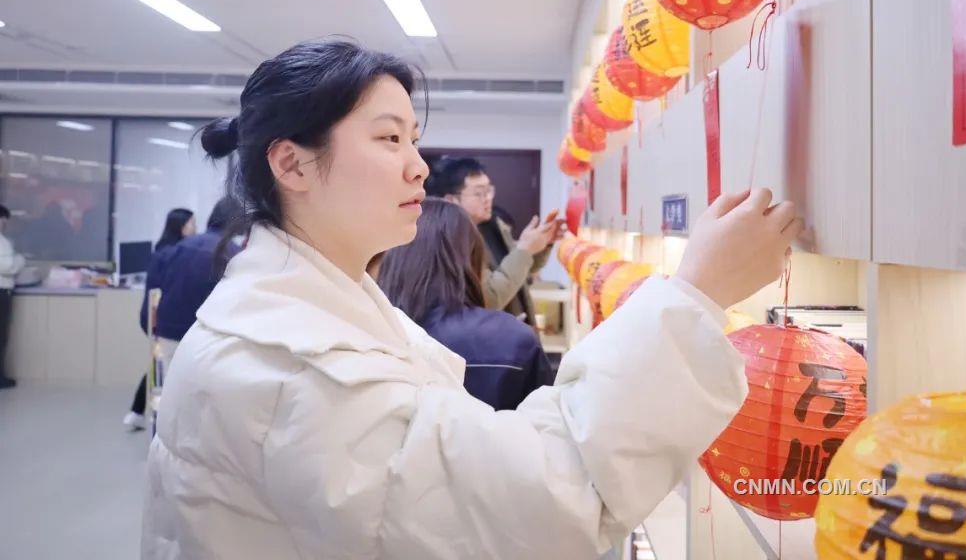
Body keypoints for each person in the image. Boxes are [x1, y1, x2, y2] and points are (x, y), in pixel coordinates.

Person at [141, 38, 802, 559]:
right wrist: (696, 295)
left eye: (413, 139)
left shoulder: (317, 313)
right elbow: (545, 499)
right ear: (292, 164)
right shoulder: (286, 369)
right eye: (389, 138)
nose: (419, 166)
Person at [378, 198, 554, 410]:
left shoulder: (368, 334)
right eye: (479, 191)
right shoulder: (514, 339)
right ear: (473, 258)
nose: (487, 197)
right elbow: (544, 419)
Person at [428, 156, 558, 326]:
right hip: (492, 334)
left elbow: (522, 270)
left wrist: (543, 243)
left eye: (489, 190)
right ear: (451, 199)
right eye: (479, 193)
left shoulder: (493, 225)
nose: (488, 198)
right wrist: (525, 249)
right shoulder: (451, 241)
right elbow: (490, 298)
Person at [144, 197, 240, 378]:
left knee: (168, 389)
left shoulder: (180, 247)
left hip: (168, 332)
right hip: (202, 340)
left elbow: (157, 288)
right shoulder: (233, 254)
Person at [123, 207, 195, 431]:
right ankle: (153, 420)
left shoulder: (164, 251)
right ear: (182, 226)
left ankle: (137, 413)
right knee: (160, 369)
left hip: (158, 318)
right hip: (162, 319)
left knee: (159, 366)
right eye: (192, 223)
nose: (195, 228)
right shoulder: (173, 254)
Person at [0, 204, 27, 390]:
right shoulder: (1, 242)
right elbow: (8, 267)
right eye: (4, 220)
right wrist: (21, 259)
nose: (5, 224)